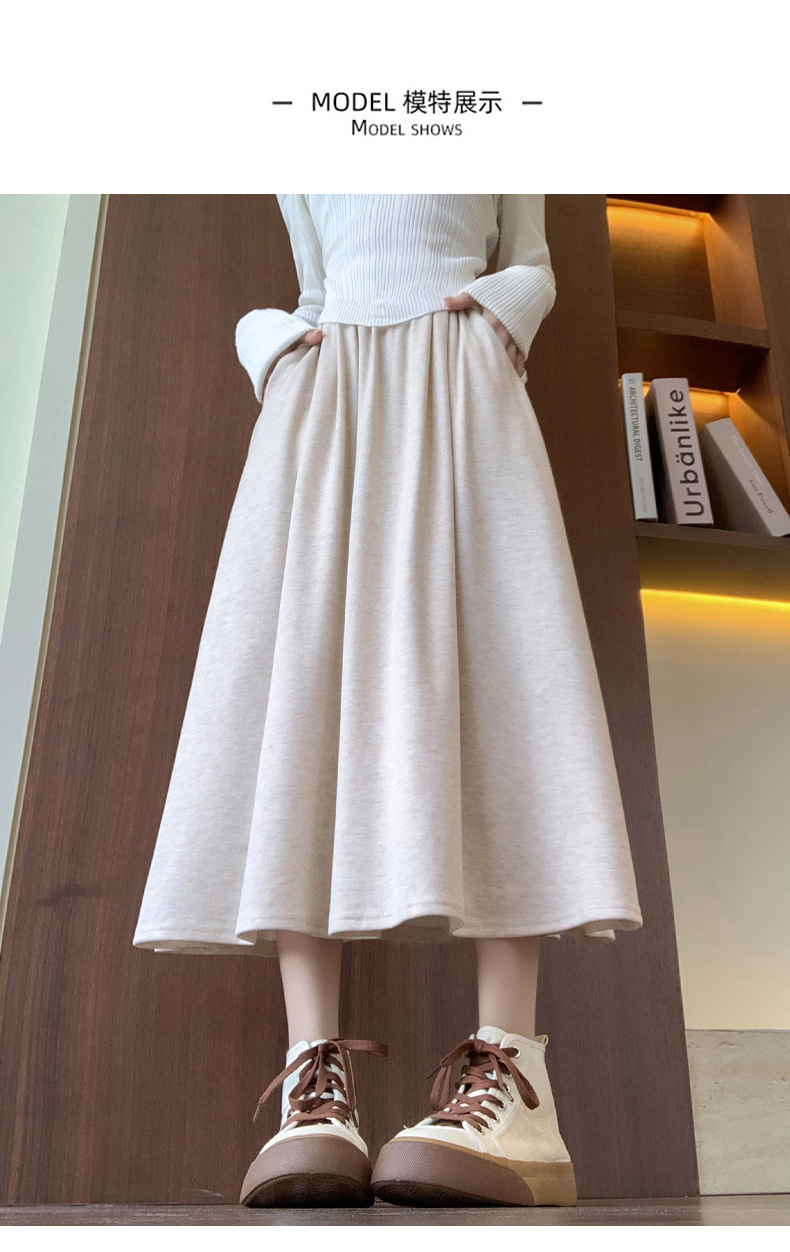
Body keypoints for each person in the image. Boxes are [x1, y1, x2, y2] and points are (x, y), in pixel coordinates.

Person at [132, 195, 643, 1208]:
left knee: (506, 688)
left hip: (464, 386)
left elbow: (532, 261)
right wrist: (274, 348)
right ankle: (311, 1081)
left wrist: (498, 322)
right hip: (326, 403)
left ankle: (514, 1072)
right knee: (302, 701)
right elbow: (314, 286)